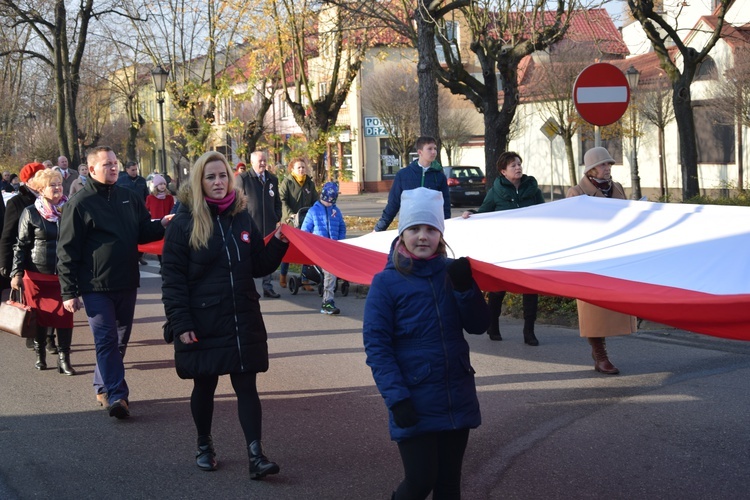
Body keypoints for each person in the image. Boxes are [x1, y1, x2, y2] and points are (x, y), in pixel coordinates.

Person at [161, 151, 288, 478]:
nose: (218, 183)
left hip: (241, 315)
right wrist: (181, 323)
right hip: (202, 320)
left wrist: (280, 243)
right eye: (210, 177)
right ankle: (204, 444)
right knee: (204, 385)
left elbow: (257, 264)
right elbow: (172, 280)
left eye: (222, 176)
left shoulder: (242, 216)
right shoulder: (184, 222)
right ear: (199, 181)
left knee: (247, 385)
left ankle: (256, 456)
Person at [363, 187, 489, 500]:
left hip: (454, 395)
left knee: (448, 486)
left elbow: (478, 325)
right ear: (402, 233)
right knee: (420, 481)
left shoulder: (452, 273)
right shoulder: (386, 283)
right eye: (415, 228)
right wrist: (397, 398)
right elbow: (377, 347)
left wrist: (465, 289)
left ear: (441, 235)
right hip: (412, 400)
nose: (423, 236)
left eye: (431, 229)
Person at [57, 146, 172, 418]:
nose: (113, 168)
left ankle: (102, 383)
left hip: (126, 281)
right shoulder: (80, 203)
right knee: (106, 340)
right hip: (95, 286)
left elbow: (143, 232)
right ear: (92, 169)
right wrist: (69, 291)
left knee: (119, 341)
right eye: (107, 164)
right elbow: (67, 250)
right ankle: (118, 395)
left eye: (115, 163)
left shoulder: (129, 197)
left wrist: (164, 223)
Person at [461, 151, 545, 346]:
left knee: (530, 288)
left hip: (528, 246)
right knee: (499, 288)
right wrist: (470, 214)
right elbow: (483, 212)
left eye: (519, 164)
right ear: (503, 171)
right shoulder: (496, 191)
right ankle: (493, 324)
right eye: (513, 165)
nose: (518, 168)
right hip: (504, 247)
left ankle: (529, 331)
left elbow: (544, 213)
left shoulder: (533, 189)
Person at [566, 146, 636, 375]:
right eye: (603, 164)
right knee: (592, 309)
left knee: (616, 302)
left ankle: (601, 352)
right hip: (590, 260)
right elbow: (570, 228)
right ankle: (600, 353)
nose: (607, 168)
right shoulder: (576, 193)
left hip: (615, 256)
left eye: (609, 164)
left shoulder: (617, 188)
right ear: (591, 170)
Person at [10, 169, 76, 374]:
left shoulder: (70, 209)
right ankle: (40, 355)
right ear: (41, 189)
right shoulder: (30, 212)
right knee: (39, 317)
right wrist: (16, 273)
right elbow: (20, 245)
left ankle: (64, 358)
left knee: (66, 316)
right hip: (36, 274)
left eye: (59, 184)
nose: (57, 188)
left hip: (63, 275)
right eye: (52, 185)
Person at [1, 163, 45, 349]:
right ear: (29, 181)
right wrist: (5, 263)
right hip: (25, 260)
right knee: (32, 302)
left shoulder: (52, 198)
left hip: (48, 260)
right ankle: (34, 336)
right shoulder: (16, 202)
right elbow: (7, 235)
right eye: (40, 175)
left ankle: (47, 338)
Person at [374, 136, 451, 232]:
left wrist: (446, 227)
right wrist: (379, 228)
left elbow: (445, 205)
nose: (434, 152)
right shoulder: (403, 175)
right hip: (409, 228)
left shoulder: (440, 176)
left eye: (435, 148)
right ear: (420, 152)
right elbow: (393, 204)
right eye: (429, 149)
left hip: (432, 228)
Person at [237, 151, 282, 298]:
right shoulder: (243, 179)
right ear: (252, 162)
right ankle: (247, 287)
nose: (263, 163)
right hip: (249, 226)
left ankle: (267, 287)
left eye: (264, 160)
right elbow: (237, 202)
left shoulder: (272, 179)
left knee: (267, 255)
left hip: (268, 225)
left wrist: (276, 215)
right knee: (246, 256)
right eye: (260, 161)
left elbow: (277, 201)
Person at [301, 182, 346, 315]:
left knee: (332, 272)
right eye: (328, 202)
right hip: (318, 250)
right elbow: (305, 231)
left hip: (333, 248)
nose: (329, 204)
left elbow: (342, 227)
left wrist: (340, 240)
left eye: (332, 202)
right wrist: (310, 246)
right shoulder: (313, 211)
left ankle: (328, 300)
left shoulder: (335, 211)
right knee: (330, 272)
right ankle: (327, 302)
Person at [278, 157, 317, 289]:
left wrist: (315, 213)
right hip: (290, 222)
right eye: (298, 167)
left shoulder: (309, 183)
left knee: (306, 251)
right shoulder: (287, 182)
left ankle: (305, 279)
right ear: (292, 169)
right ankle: (283, 275)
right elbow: (282, 200)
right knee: (287, 250)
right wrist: (290, 214)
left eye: (303, 167)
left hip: (306, 221)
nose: (301, 169)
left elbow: (315, 202)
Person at [116, 161, 150, 265]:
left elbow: (146, 195)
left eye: (136, 169)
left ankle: (140, 255)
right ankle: (130, 255)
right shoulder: (121, 181)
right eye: (132, 170)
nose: (135, 172)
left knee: (141, 231)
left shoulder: (142, 181)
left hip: (140, 209)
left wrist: (147, 208)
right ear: (127, 170)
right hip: (126, 209)